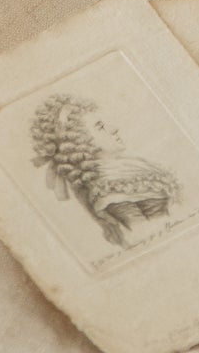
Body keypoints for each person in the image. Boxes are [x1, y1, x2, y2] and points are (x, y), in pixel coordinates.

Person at [29, 93, 180, 247]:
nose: (114, 129)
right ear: (82, 142)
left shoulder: (127, 168)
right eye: (100, 127)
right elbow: (152, 235)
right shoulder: (110, 189)